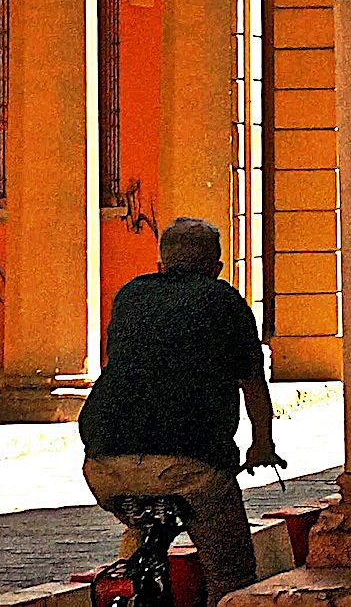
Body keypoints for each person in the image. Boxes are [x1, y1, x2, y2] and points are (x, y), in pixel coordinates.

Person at [79, 218, 285, 606]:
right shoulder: (224, 300)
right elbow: (254, 387)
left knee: (144, 523)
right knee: (232, 573)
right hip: (191, 464)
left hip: (104, 462)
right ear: (217, 268)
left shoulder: (130, 295)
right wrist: (262, 445)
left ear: (160, 265)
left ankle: (131, 573)